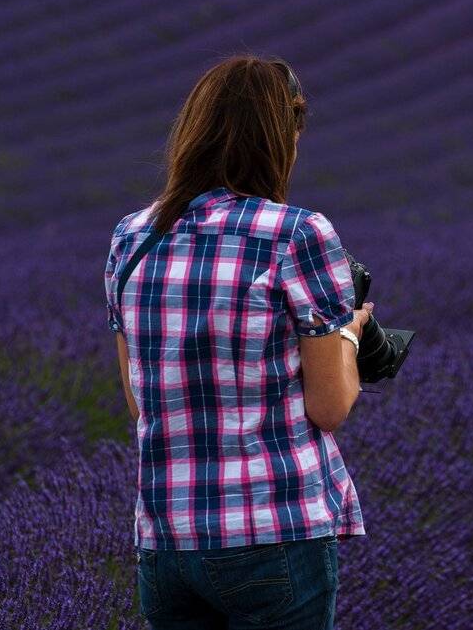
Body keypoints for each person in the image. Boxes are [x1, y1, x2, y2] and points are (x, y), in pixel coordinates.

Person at [103, 54, 370, 630]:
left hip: (166, 541)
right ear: (281, 137)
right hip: (271, 531)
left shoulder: (131, 237)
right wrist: (351, 332)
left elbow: (138, 400)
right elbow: (329, 405)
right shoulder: (297, 233)